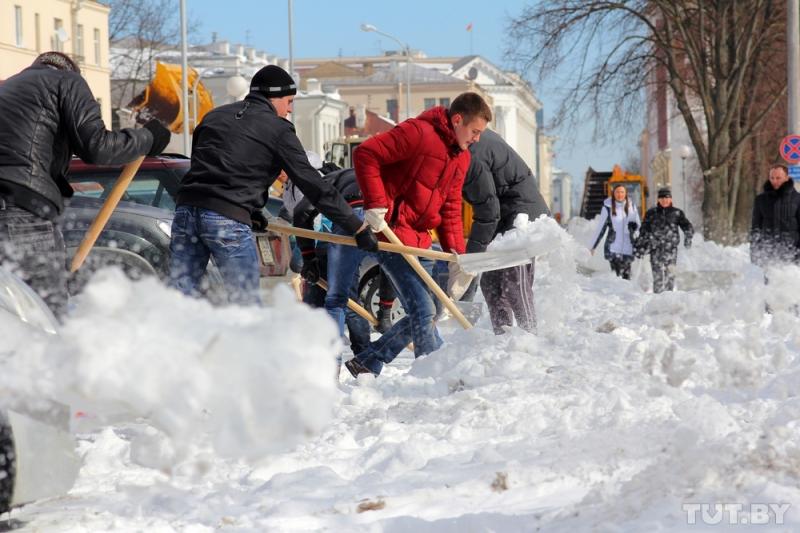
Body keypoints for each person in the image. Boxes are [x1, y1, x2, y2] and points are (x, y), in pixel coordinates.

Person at [168, 65, 378, 305]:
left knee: (180, 298)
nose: (289, 108)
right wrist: (357, 227)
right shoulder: (278, 129)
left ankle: (170, 341)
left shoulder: (214, 116)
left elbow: (208, 165)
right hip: (226, 220)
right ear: (273, 96)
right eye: (289, 101)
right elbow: (312, 184)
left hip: (186, 211)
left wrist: (252, 209)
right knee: (245, 304)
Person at [0, 51, 170, 318]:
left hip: (14, 208)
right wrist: (147, 138)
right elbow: (98, 146)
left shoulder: (9, 88)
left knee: (10, 319)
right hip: (23, 213)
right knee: (43, 317)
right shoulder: (67, 82)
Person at [344, 92, 492, 378]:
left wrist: (457, 256)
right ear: (458, 119)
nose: (476, 139)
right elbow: (366, 154)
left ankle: (369, 361)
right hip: (391, 234)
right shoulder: (418, 133)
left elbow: (450, 207)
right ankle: (433, 374)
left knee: (428, 312)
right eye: (474, 131)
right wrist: (375, 205)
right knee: (423, 311)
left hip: (420, 241)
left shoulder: (461, 158)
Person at [462, 128, 550, 334]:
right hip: (503, 218)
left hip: (522, 218)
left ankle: (530, 338)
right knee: (491, 283)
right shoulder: (472, 141)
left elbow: (487, 209)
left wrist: (472, 257)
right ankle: (503, 339)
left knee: (515, 283)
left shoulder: (474, 152)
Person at [290, 166, 372, 359]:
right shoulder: (340, 179)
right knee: (326, 300)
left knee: (340, 299)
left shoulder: (325, 182)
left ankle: (359, 357)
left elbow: (301, 212)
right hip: (329, 243)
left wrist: (308, 257)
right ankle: (358, 357)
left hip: (338, 236)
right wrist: (310, 258)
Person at [635, 187, 694, 293]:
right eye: (662, 198)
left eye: (667, 198)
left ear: (670, 199)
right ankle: (658, 299)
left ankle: (669, 298)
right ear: (658, 200)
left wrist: (688, 237)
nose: (664, 200)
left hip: (671, 249)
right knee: (657, 278)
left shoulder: (677, 213)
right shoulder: (651, 213)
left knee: (670, 277)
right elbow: (644, 230)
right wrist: (641, 245)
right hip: (655, 248)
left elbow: (687, 226)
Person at [750, 163, 800, 269]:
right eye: (772, 178)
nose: (774, 181)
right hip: (769, 253)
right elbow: (756, 228)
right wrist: (755, 252)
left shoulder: (797, 199)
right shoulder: (761, 200)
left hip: (792, 254)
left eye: (778, 178)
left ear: (786, 178)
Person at [589, 184, 641, 279]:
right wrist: (593, 246)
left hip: (628, 247)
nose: (620, 194)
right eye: (617, 192)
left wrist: (635, 227)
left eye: (622, 192)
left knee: (626, 277)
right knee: (617, 276)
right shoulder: (607, 208)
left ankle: (625, 293)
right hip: (613, 248)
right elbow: (601, 228)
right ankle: (617, 292)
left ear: (625, 194)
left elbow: (638, 226)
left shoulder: (631, 206)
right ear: (613, 193)